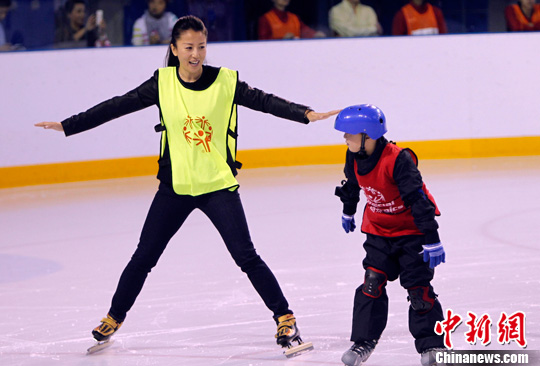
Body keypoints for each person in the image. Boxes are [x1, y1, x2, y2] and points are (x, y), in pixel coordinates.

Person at [35, 15, 339, 354]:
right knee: (143, 257)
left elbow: (266, 101)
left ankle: (285, 316)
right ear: (175, 49)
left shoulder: (226, 81)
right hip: (174, 188)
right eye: (189, 47)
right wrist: (68, 125)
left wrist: (306, 113)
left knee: (246, 256)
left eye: (202, 46)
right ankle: (113, 317)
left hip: (217, 186)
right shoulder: (162, 83)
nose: (196, 54)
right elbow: (117, 106)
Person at [333, 105, 449, 366]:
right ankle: (364, 341)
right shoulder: (353, 156)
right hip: (379, 231)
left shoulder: (398, 160)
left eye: (349, 134)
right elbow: (352, 186)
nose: (344, 139)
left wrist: (431, 237)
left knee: (418, 290)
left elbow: (418, 199)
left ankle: (431, 345)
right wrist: (348, 211)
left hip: (411, 232)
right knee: (371, 283)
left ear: (368, 136)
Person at [258, 0, 325, 40]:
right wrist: (282, 39)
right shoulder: (265, 18)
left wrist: (315, 34)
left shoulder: (294, 17)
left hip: (296, 54)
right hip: (275, 55)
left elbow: (304, 31)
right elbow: (263, 41)